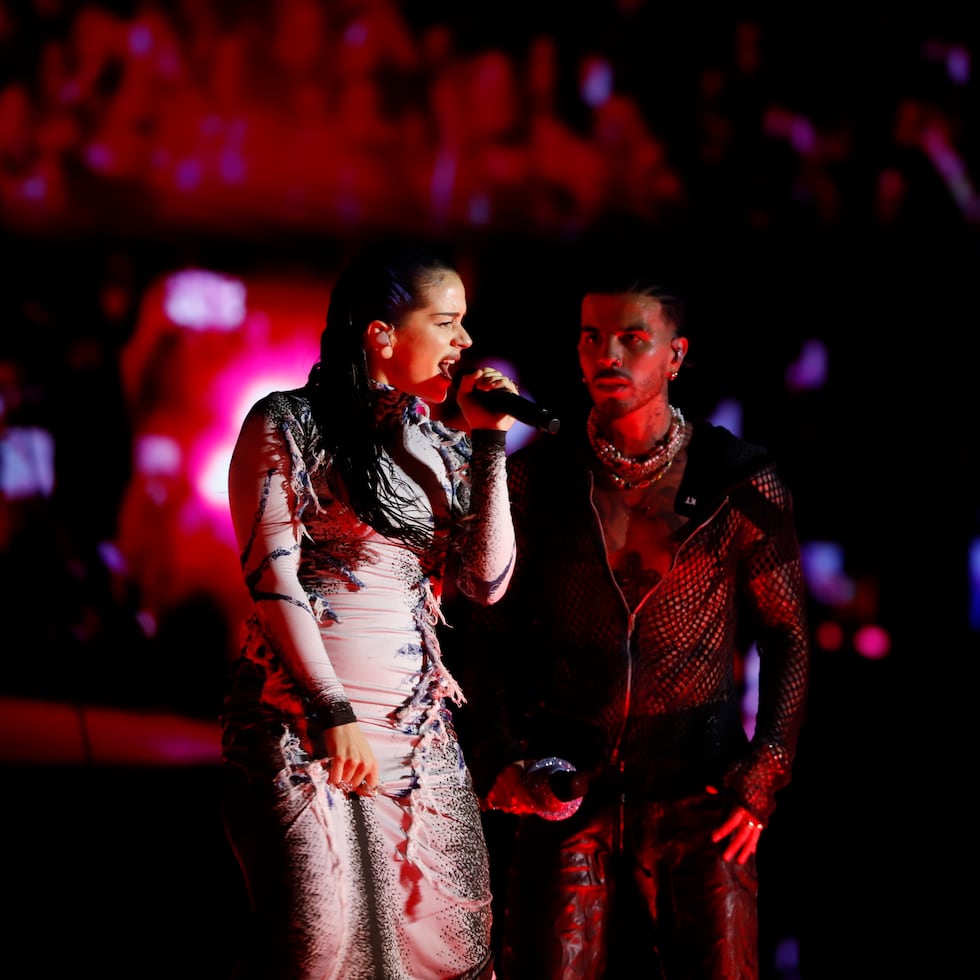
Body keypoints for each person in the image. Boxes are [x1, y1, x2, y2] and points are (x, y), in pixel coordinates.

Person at [459, 269, 811, 979]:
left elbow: (787, 635)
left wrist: (763, 773)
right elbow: (481, 630)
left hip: (699, 790)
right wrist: (499, 760)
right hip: (566, 786)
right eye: (592, 338)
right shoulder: (539, 479)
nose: (607, 356)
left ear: (676, 355)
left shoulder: (737, 479)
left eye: (632, 339)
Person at [219, 238, 519, 980]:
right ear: (382, 335)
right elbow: (273, 578)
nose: (466, 342)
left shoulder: (441, 446)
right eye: (447, 323)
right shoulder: (284, 423)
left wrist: (487, 448)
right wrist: (330, 709)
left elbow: (486, 583)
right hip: (298, 727)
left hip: (416, 738)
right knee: (320, 948)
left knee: (446, 951)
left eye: (465, 324)